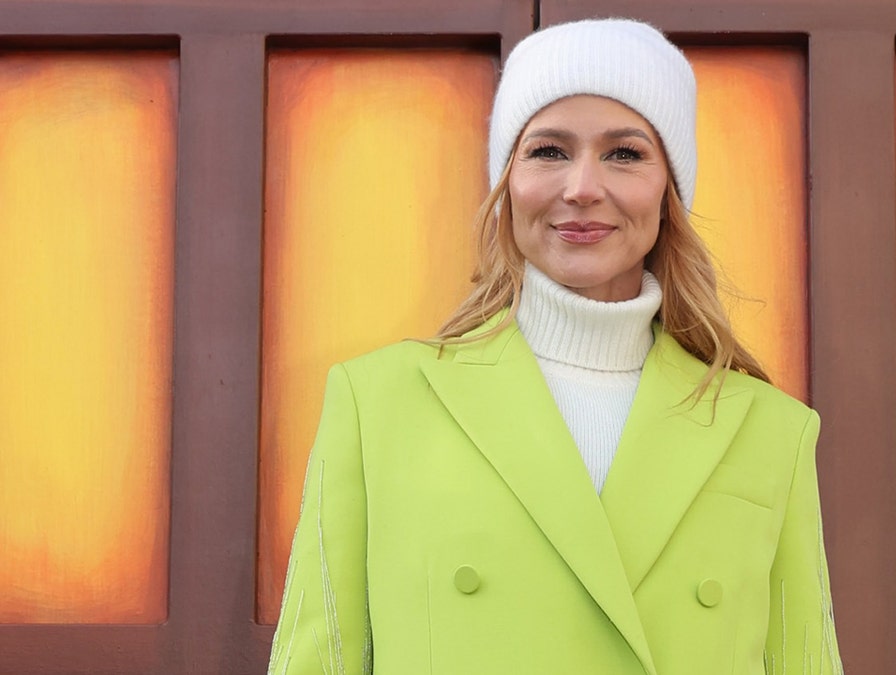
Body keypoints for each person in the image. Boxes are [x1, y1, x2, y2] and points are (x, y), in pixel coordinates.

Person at [267, 17, 842, 675]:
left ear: (668, 192)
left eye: (624, 153)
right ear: (507, 182)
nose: (582, 188)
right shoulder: (378, 403)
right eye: (548, 150)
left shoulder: (768, 431)